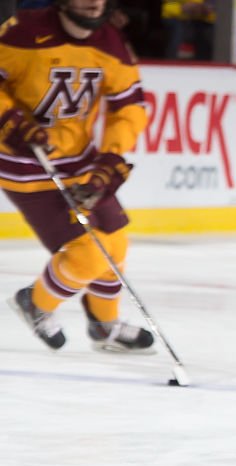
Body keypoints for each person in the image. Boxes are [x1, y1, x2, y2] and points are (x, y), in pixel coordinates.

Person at [1, 0, 152, 352]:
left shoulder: (110, 42)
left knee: (114, 243)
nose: (92, 1)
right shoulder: (24, 31)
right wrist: (9, 121)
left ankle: (105, 325)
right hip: (25, 163)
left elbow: (129, 106)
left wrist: (111, 156)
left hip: (79, 159)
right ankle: (35, 303)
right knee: (88, 254)